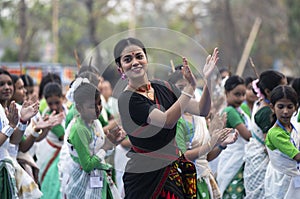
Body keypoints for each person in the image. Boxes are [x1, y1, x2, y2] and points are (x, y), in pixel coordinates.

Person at [114, 37, 219, 198]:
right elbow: (166, 121)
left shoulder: (164, 87)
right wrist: (190, 87)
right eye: (128, 59)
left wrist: (208, 79)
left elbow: (201, 109)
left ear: (146, 59)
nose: (135, 62)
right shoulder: (127, 99)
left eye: (139, 56)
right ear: (120, 69)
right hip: (145, 177)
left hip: (171, 171)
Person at [169, 69, 238, 199]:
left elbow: (205, 157)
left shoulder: (198, 118)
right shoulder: (174, 120)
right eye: (180, 88)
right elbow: (182, 157)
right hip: (185, 181)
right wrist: (211, 143)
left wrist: (221, 145)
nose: (186, 92)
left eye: (189, 87)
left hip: (203, 179)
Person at [65, 78, 122, 199]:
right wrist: (106, 147)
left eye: (99, 103)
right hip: (83, 182)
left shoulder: (94, 122)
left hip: (98, 178)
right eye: (92, 106)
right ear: (79, 108)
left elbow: (99, 152)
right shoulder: (79, 129)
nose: (98, 108)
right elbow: (87, 166)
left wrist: (113, 143)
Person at [243, 70, 286, 199]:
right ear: (268, 91)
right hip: (261, 163)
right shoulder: (266, 112)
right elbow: (270, 146)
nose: (285, 90)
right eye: (282, 87)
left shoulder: (263, 104)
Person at [216, 75, 252, 199]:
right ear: (227, 93)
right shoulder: (230, 111)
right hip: (234, 159)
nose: (241, 98)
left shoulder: (239, 111)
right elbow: (247, 135)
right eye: (237, 94)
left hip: (238, 158)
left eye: (243, 94)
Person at [264, 85, 300, 198]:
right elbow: (297, 156)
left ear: (296, 107)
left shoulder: (295, 126)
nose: (285, 111)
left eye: (290, 107)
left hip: (294, 178)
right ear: (272, 107)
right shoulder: (275, 134)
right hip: (281, 180)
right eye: (280, 107)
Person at [35, 82, 67, 199]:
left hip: (64, 158)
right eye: (50, 104)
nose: (54, 107)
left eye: (57, 102)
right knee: (54, 191)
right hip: (53, 159)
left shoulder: (68, 111)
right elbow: (66, 138)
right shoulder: (49, 117)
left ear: (63, 97)